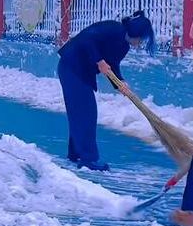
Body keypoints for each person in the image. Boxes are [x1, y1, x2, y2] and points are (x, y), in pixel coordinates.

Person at [57, 10, 155, 171]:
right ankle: (88, 159)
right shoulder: (112, 28)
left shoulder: (124, 46)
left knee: (81, 112)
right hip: (71, 67)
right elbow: (87, 38)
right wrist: (99, 60)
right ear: (136, 32)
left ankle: (76, 154)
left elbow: (112, 65)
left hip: (82, 73)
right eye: (141, 38)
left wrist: (120, 83)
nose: (140, 43)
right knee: (85, 113)